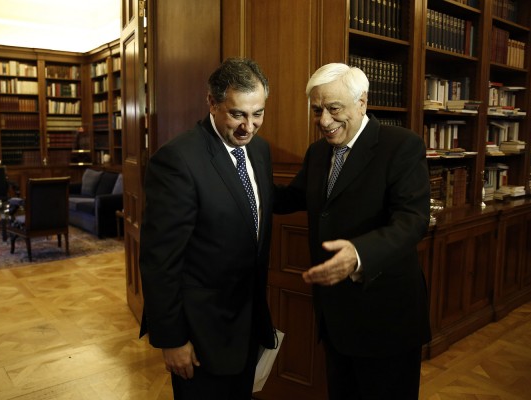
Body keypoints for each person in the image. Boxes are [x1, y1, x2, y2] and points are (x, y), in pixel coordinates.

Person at [274, 63, 431, 399]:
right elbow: (292, 197)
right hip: (335, 315)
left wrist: (359, 254)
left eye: (334, 108)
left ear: (362, 102)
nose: (324, 121)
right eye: (317, 110)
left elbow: (412, 220)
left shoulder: (401, 145)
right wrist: (243, 178)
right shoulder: (318, 152)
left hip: (385, 315)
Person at [138, 58, 276, 400]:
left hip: (248, 324)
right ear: (212, 103)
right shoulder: (177, 160)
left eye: (257, 114)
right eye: (237, 114)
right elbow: (160, 261)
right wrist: (172, 339)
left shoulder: (259, 150)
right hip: (201, 335)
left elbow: (255, 205)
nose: (248, 127)